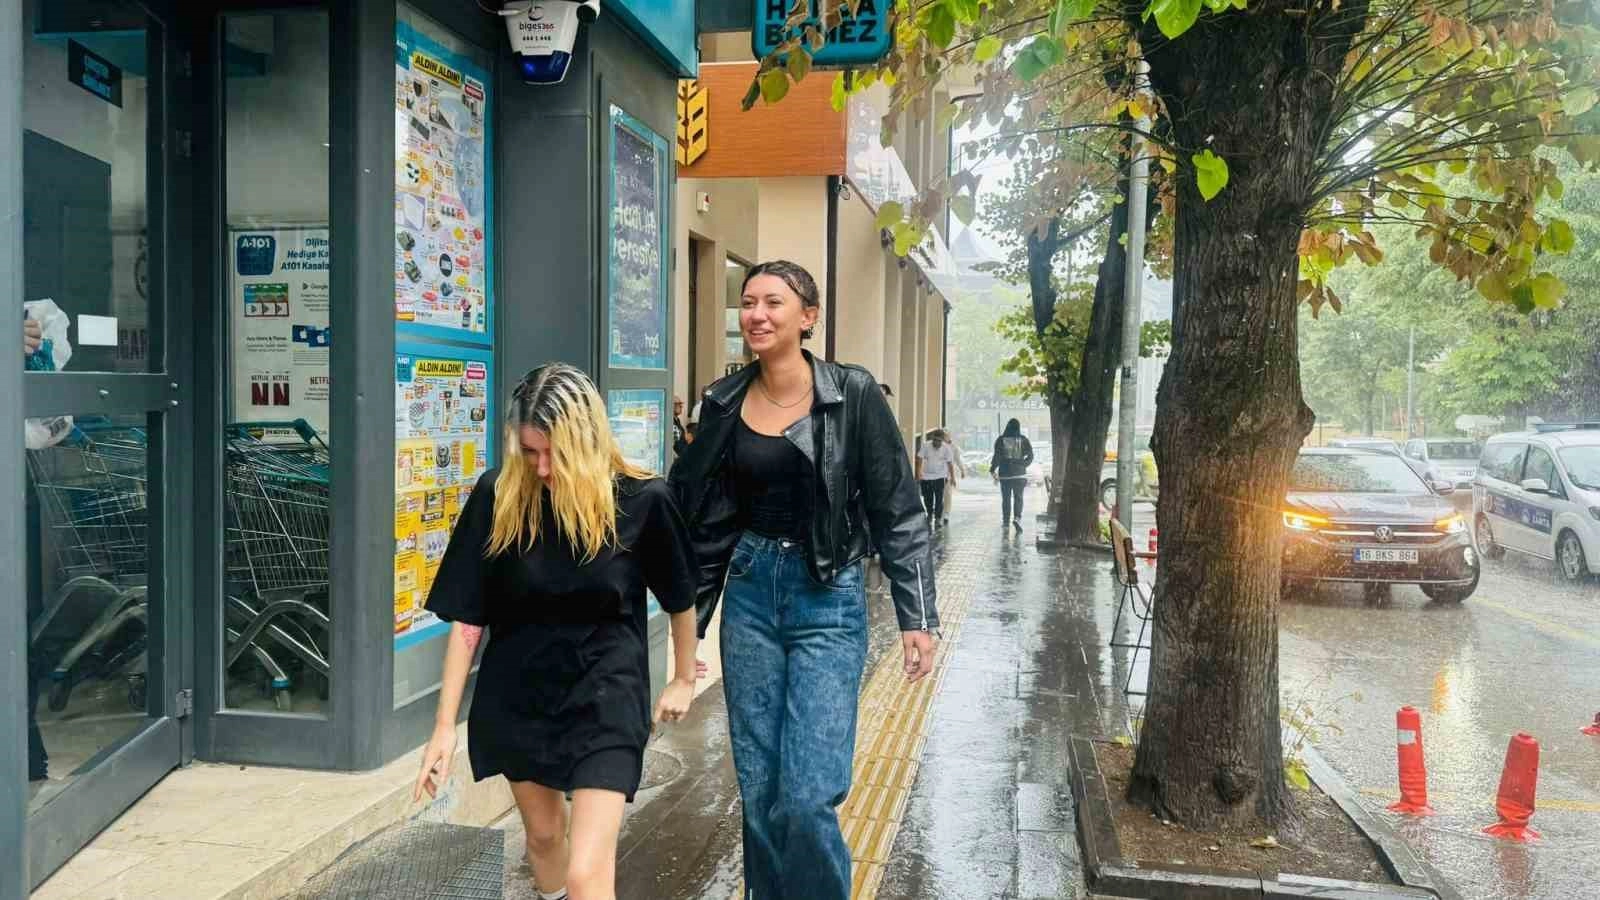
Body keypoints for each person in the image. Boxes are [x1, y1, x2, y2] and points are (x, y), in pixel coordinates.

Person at [669, 260, 938, 900]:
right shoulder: (723, 401)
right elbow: (704, 520)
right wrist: (687, 631)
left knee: (809, 793)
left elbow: (898, 508)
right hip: (751, 593)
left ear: (807, 317)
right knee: (760, 789)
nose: (756, 314)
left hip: (828, 595)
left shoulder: (853, 394)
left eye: (773, 302)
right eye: (748, 302)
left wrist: (918, 616)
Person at [414, 363, 701, 900]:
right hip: (519, 694)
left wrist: (683, 677)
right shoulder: (499, 496)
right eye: (530, 452)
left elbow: (681, 598)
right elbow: (469, 617)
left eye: (556, 454)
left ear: (588, 441)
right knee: (544, 839)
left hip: (606, 695)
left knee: (587, 873)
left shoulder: (643, 500)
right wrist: (444, 726)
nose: (542, 468)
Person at [990, 418, 1034, 533]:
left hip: (1005, 475)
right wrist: (1023, 464)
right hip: (1019, 475)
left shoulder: (1001, 440)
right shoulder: (1023, 439)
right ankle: (1017, 518)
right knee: (1018, 497)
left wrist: (992, 469)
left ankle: (1006, 522)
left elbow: (997, 457)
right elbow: (1030, 456)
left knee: (1006, 499)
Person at [915, 428, 960, 528]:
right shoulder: (925, 445)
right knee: (928, 498)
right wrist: (918, 473)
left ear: (942, 440)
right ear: (932, 438)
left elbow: (950, 464)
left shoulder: (946, 448)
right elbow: (919, 459)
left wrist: (953, 478)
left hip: (940, 476)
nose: (937, 443)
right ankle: (930, 514)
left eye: (939, 441)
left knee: (939, 499)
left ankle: (938, 518)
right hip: (926, 476)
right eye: (935, 440)